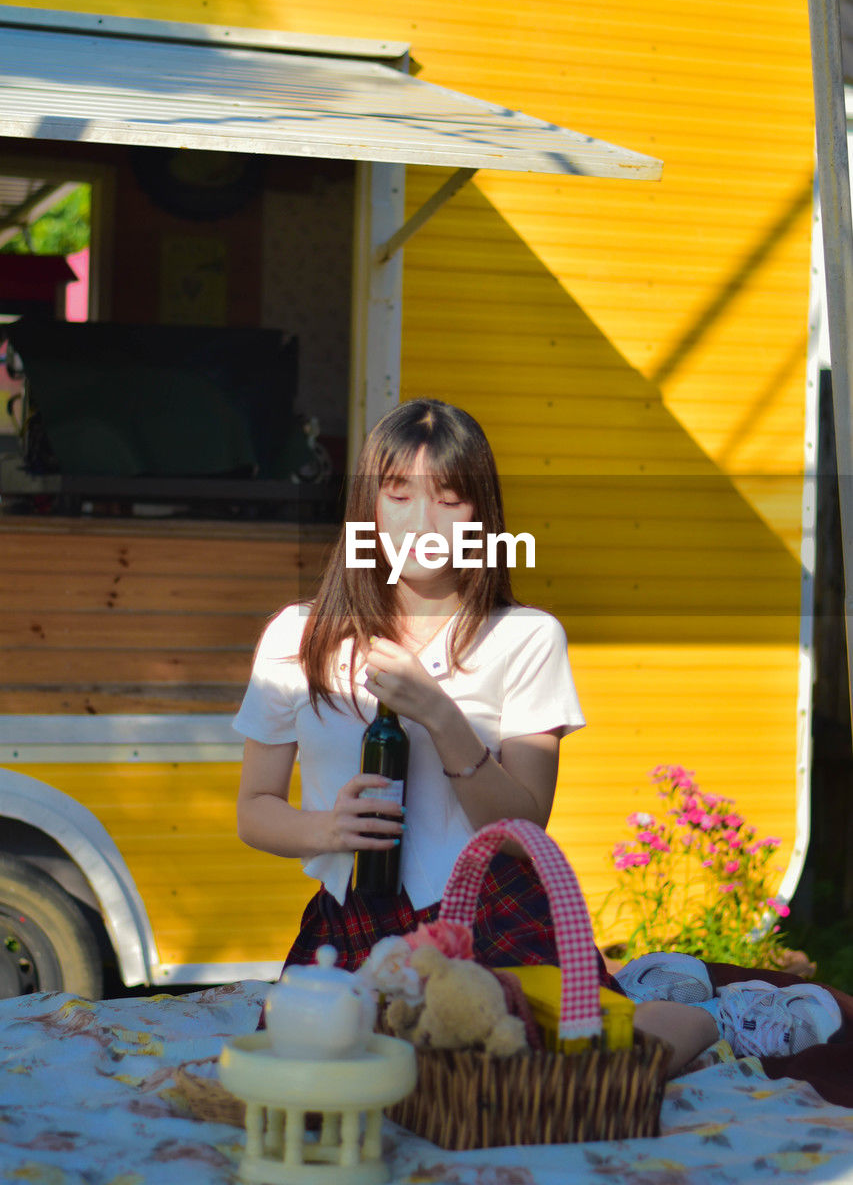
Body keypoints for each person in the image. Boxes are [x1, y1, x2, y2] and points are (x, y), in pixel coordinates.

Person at [233, 397, 840, 1076]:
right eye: (398, 496)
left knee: (542, 1071)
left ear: (481, 517)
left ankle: (702, 1016)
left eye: (449, 499)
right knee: (326, 1066)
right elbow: (254, 808)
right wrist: (327, 830)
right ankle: (653, 986)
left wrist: (440, 714)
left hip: (488, 907)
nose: (420, 526)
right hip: (354, 917)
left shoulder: (524, 637)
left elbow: (525, 821)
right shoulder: (298, 635)